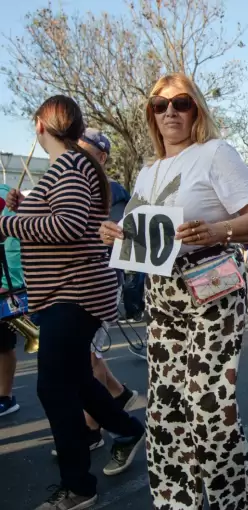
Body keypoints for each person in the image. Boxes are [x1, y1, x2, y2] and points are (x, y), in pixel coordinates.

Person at [99, 72, 248, 509]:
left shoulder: (215, 153)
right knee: (168, 404)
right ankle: (179, 501)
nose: (170, 111)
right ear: (151, 115)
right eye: (160, 105)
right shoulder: (147, 172)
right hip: (163, 292)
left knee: (209, 408)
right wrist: (116, 235)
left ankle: (237, 496)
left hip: (211, 284)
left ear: (197, 110)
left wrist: (218, 228)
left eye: (181, 103)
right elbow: (141, 238)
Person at [0, 95, 146, 510]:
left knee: (53, 387)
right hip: (69, 290)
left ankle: (79, 485)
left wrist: (7, 221)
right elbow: (70, 220)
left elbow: (65, 226)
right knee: (79, 378)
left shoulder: (68, 166)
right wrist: (27, 206)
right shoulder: (74, 167)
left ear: (40, 126)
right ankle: (128, 429)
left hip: (72, 292)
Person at [45, 128, 139, 456]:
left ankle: (96, 426)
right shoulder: (70, 184)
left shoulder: (109, 189)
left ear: (101, 157)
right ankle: (118, 400)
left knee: (84, 360)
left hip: (97, 286)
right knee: (86, 361)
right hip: (71, 288)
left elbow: (111, 236)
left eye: (84, 152)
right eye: (75, 150)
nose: (76, 157)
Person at [0, 184, 25, 418]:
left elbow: (12, 245)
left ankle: (4, 397)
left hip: (3, 286)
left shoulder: (5, 195)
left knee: (3, 345)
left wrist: (10, 283)